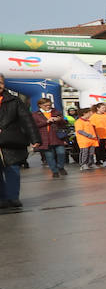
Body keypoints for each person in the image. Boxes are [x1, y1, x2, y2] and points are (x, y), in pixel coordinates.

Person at [0, 75, 40, 211]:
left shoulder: (14, 101)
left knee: (13, 170)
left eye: (0, 82)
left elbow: (27, 120)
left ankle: (13, 197)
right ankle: (2, 198)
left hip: (11, 141)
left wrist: (35, 139)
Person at [31, 97, 68, 179]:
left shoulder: (56, 112)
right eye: (46, 105)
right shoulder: (35, 114)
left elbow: (64, 123)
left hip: (57, 137)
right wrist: (46, 122)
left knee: (61, 153)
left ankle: (60, 167)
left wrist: (59, 119)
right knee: (49, 156)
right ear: (40, 105)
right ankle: (54, 171)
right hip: (44, 138)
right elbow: (34, 126)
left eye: (49, 105)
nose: (48, 107)